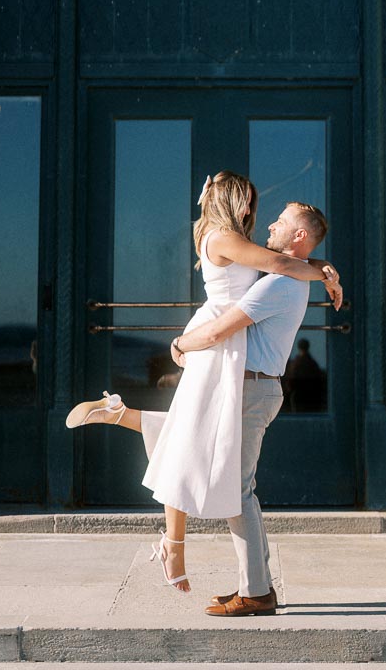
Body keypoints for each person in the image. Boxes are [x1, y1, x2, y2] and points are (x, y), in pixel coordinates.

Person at [65, 172, 341, 595]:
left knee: (186, 436)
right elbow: (284, 263)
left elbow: (287, 263)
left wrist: (322, 268)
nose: (256, 213)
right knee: (188, 441)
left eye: (260, 207)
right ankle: (189, 553)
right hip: (219, 341)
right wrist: (323, 271)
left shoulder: (241, 247)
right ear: (232, 202)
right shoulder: (224, 239)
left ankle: (121, 417)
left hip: (225, 345)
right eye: (248, 202)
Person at [171, 198, 335, 616]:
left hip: (251, 391)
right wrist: (327, 269)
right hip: (249, 388)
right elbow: (293, 265)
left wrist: (178, 344)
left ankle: (257, 592)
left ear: (298, 236)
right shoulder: (288, 277)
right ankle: (254, 585)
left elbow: (219, 331)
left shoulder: (278, 284)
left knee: (238, 491)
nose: (268, 229)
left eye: (279, 224)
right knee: (236, 488)